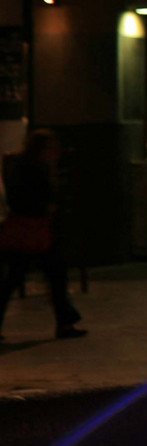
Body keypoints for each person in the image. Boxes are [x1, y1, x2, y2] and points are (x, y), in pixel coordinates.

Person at [0, 129, 86, 339]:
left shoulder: (20, 166)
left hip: (29, 231)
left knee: (17, 279)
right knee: (53, 276)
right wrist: (46, 207)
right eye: (50, 149)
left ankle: (66, 321)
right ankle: (65, 322)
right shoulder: (36, 170)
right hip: (35, 230)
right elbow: (34, 198)